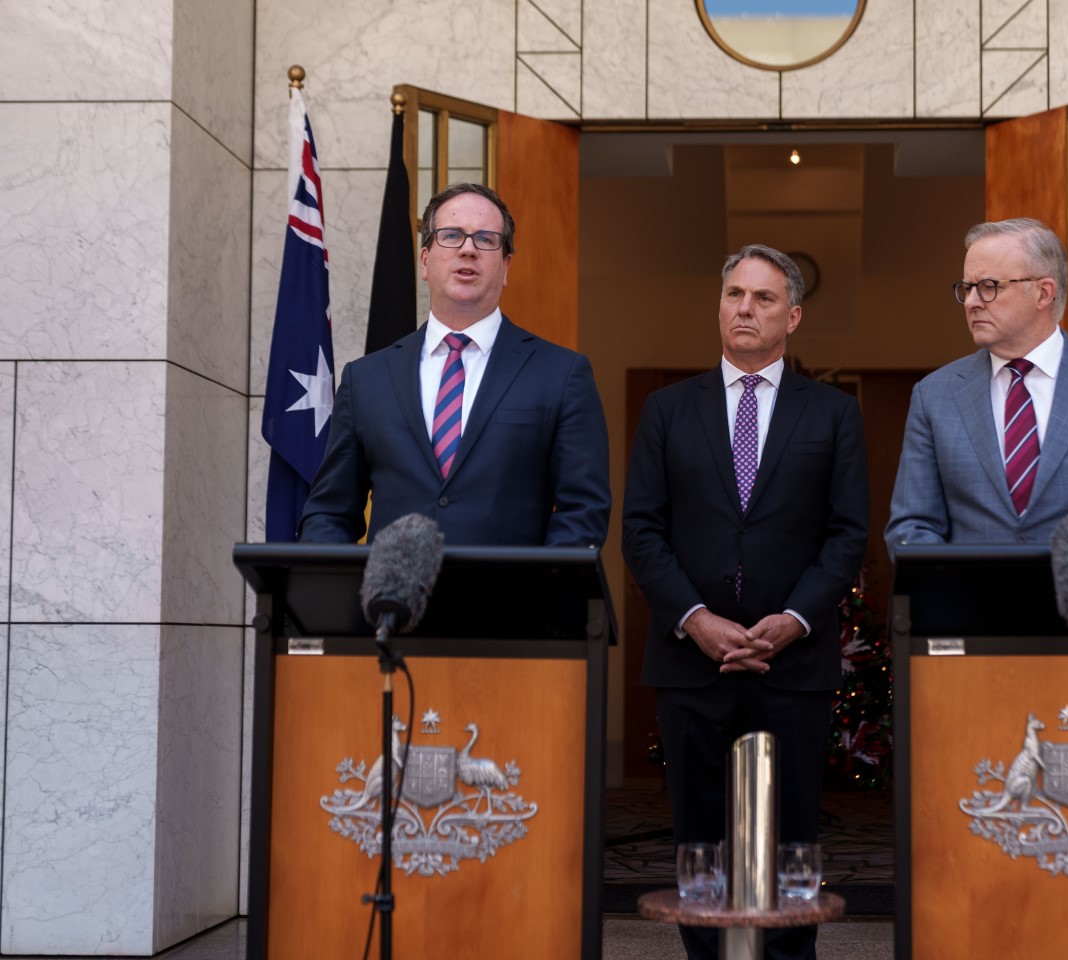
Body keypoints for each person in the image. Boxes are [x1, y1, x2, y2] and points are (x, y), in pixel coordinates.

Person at [622, 245, 867, 960]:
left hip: (792, 666)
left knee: (792, 846)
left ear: (791, 316)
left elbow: (848, 535)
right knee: (698, 847)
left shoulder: (834, 413)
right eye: (734, 294)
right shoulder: (668, 409)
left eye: (762, 298)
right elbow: (641, 530)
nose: (744, 309)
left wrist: (792, 622)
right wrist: (695, 620)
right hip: (690, 662)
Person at [299, 182, 609, 546]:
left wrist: (534, 596)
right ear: (425, 261)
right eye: (451, 236)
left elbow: (583, 513)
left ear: (506, 266)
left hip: (512, 601)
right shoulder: (366, 379)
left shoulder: (561, 374)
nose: (468, 249)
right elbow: (330, 512)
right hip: (392, 601)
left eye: (486, 239)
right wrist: (334, 596)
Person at [885, 218, 1068, 553]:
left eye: (988, 286)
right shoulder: (935, 395)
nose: (971, 302)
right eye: (966, 288)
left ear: (1043, 293)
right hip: (974, 603)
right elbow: (911, 529)